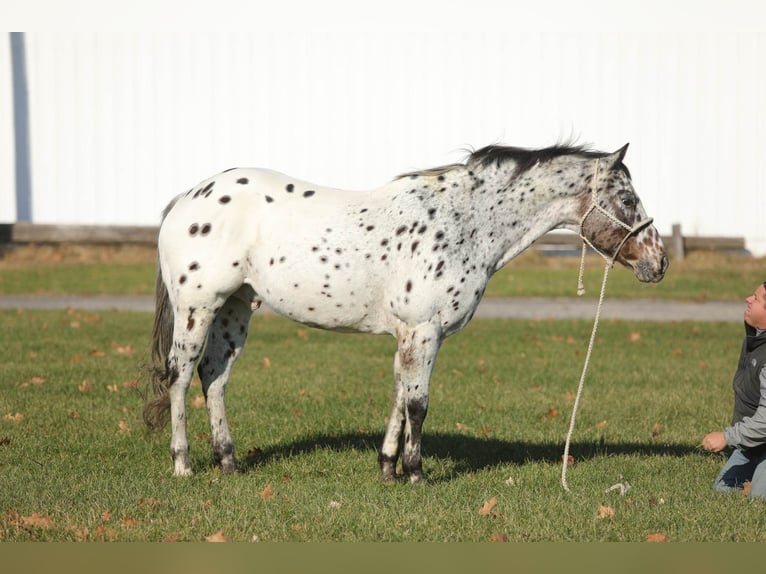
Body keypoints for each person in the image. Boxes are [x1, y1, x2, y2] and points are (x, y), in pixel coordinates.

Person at [702, 281, 766, 500]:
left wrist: (728, 437)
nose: (748, 299)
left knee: (759, 497)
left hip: (760, 434)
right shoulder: (756, 339)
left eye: (756, 299)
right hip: (755, 443)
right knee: (724, 490)